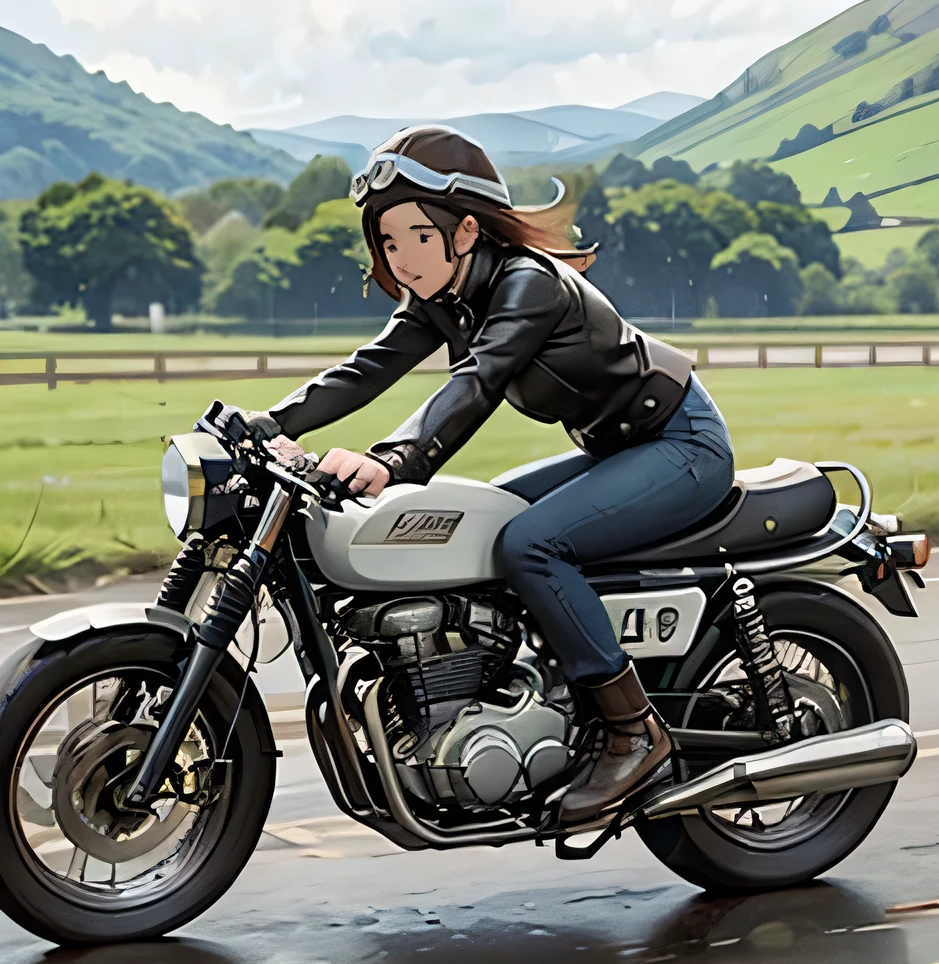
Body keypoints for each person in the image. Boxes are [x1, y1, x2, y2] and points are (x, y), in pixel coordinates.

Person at [241, 126, 736, 825]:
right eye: (386, 242)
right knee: (487, 522)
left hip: (680, 444)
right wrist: (269, 424)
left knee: (531, 544)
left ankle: (634, 731)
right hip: (619, 448)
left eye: (415, 236)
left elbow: (476, 383)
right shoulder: (444, 298)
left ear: (465, 230)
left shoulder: (527, 285)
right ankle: (531, 697)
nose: (400, 258)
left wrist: (391, 462)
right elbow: (367, 367)